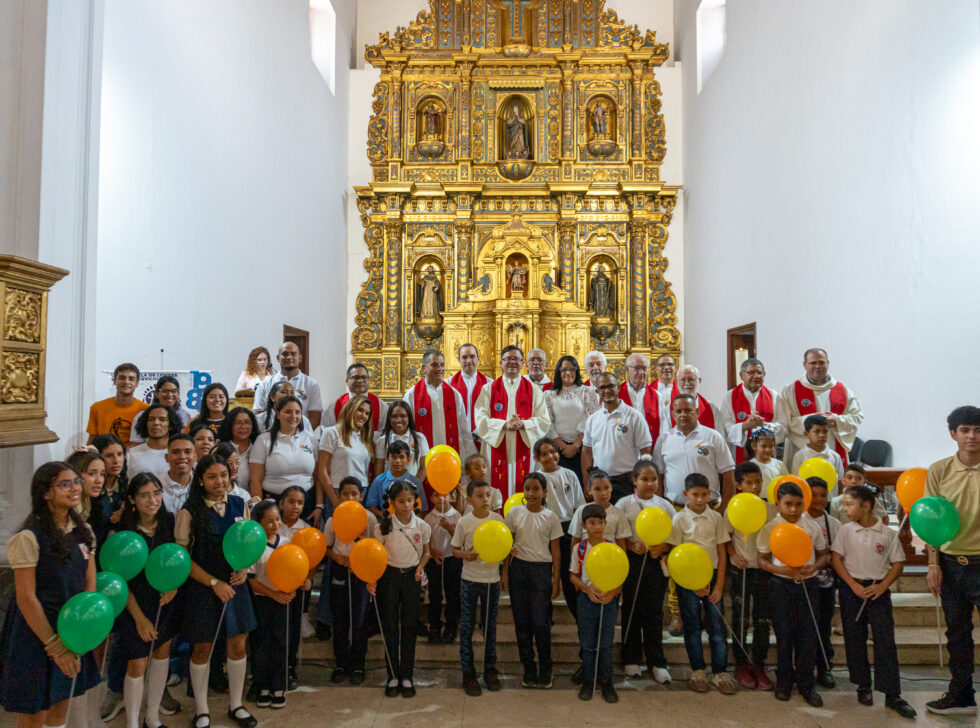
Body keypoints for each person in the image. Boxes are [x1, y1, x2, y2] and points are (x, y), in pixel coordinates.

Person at [0, 463, 100, 724]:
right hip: (37, 634)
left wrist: (80, 630)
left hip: (71, 632)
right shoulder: (29, 537)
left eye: (76, 481)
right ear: (45, 493)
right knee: (34, 714)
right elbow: (26, 597)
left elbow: (90, 586)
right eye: (64, 484)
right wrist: (55, 645)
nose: (75, 488)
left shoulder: (84, 532)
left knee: (60, 704)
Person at [175, 454, 257, 728]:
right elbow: (183, 560)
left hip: (235, 586)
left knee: (237, 643)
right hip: (204, 587)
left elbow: (247, 543)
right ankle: (201, 710)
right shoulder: (189, 512)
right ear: (201, 481)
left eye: (224, 474)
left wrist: (245, 569)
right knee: (202, 647)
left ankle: (236, 704)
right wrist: (213, 583)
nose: (220, 481)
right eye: (212, 476)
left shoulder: (239, 504)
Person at [832, 486, 916, 719]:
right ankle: (863, 685)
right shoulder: (845, 530)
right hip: (853, 590)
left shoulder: (886, 533)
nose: (844, 508)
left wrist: (882, 586)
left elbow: (897, 564)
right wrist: (852, 585)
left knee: (885, 640)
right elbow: (836, 559)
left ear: (866, 506)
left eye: (849, 504)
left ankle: (892, 694)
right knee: (854, 638)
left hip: (878, 591)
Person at [113, 473, 182, 728]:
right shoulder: (124, 531)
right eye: (144, 495)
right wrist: (139, 618)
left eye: (156, 493)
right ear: (132, 499)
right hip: (134, 604)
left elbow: (176, 559)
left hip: (164, 600)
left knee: (162, 654)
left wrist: (174, 587)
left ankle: (152, 717)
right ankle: (132, 721)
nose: (152, 500)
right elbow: (121, 580)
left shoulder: (169, 522)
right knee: (138, 662)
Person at [924, 405, 980, 716]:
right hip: (950, 562)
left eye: (978, 430)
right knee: (957, 633)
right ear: (953, 434)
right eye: (965, 430)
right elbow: (930, 520)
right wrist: (933, 565)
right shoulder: (939, 470)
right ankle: (961, 694)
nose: (972, 436)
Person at [757, 481, 829, 707]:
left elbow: (823, 555)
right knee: (784, 634)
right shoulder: (770, 527)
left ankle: (807, 685)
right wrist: (782, 570)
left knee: (808, 636)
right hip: (781, 585)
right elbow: (762, 560)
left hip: (808, 585)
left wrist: (814, 567)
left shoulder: (811, 526)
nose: (794, 509)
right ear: (778, 504)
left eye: (799, 504)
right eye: (788, 504)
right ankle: (784, 682)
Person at [667, 473, 736, 695]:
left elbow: (722, 554)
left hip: (713, 576)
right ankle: (697, 670)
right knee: (693, 626)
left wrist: (718, 586)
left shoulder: (716, 518)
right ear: (686, 495)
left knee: (717, 626)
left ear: (710, 495)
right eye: (695, 495)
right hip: (687, 579)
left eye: (704, 495)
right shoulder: (678, 519)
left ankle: (720, 672)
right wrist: (690, 582)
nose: (699, 499)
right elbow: (673, 554)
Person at [369, 480, 430, 699]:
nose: (406, 505)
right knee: (390, 626)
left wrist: (421, 567)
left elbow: (427, 553)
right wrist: (372, 579)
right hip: (389, 579)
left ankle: (407, 676)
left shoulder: (422, 526)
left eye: (409, 500)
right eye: (401, 501)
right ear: (392, 502)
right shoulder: (383, 526)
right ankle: (393, 675)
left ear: (415, 501)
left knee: (410, 626)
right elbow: (376, 556)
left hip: (411, 579)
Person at [617, 458, 675, 684]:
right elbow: (618, 534)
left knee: (653, 611)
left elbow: (674, 538)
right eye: (644, 479)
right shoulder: (624, 504)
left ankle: (657, 661)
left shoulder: (665, 505)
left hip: (655, 562)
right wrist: (631, 545)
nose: (650, 484)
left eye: (654, 480)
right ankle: (631, 658)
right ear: (634, 481)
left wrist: (664, 547)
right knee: (632, 608)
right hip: (632, 561)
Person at [247, 500, 308, 710]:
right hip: (263, 600)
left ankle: (278, 686)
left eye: (277, 519)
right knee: (262, 644)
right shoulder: (254, 545)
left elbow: (296, 567)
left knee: (282, 642)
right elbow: (251, 578)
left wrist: (295, 586)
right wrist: (272, 594)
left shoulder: (287, 541)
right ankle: (262, 685)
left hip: (284, 600)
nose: (275, 524)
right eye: (269, 521)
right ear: (258, 523)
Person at [503, 472, 562, 689]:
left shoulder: (551, 517)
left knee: (540, 623)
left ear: (544, 492)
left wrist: (556, 580)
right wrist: (505, 573)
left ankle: (546, 668)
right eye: (527, 489)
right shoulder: (514, 513)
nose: (531, 493)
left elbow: (555, 551)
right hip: (519, 570)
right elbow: (507, 545)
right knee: (522, 624)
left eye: (536, 489)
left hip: (541, 572)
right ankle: (528, 668)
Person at [474, 346, 551, 502]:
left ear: (523, 363)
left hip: (524, 448)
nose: (512, 362)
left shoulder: (534, 390)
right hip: (496, 447)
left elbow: (544, 420)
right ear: (501, 362)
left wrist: (523, 424)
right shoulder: (488, 389)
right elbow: (480, 418)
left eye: (516, 359)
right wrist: (504, 425)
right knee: (496, 491)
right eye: (508, 359)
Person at [452, 480, 506, 697]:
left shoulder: (498, 519)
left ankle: (490, 670)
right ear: (469, 500)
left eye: (487, 495)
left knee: (489, 627)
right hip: (469, 580)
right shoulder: (464, 522)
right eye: (480, 496)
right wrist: (467, 555)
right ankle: (468, 672)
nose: (485, 499)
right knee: (466, 628)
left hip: (491, 581)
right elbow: (455, 550)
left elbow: (502, 544)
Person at [324, 477, 378, 685]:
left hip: (362, 571)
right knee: (340, 620)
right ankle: (341, 662)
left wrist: (364, 542)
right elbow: (326, 547)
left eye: (354, 494)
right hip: (339, 569)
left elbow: (377, 547)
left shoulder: (370, 519)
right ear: (338, 496)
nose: (349, 497)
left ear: (362, 496)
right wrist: (335, 557)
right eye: (345, 494)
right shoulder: (333, 519)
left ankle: (358, 664)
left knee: (360, 620)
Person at [725, 461, 774, 691]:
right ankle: (741, 663)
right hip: (740, 569)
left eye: (758, 482)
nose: (755, 486)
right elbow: (725, 538)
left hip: (764, 570)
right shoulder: (731, 507)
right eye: (749, 482)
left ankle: (759, 664)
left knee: (762, 619)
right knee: (740, 617)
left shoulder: (771, 509)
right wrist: (733, 555)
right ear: (738, 485)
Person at [404, 349, 475, 500]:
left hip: (450, 458)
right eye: (435, 365)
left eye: (442, 365)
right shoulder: (411, 395)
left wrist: (470, 460)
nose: (440, 369)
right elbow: (406, 431)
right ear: (424, 368)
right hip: (423, 460)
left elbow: (464, 430)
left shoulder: (454, 394)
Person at [776, 348, 863, 467]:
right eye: (813, 363)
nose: (818, 366)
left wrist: (837, 420)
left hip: (833, 449)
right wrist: (813, 421)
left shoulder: (843, 391)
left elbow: (857, 417)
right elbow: (786, 422)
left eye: (821, 362)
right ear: (805, 365)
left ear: (828, 363)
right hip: (801, 451)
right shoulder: (791, 391)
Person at [569, 503, 620, 703]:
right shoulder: (579, 549)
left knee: (606, 643)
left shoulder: (612, 548)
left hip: (609, 599)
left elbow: (620, 576)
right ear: (584, 525)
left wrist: (613, 592)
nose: (597, 526)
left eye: (600, 522)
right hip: (586, 599)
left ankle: (607, 681)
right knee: (588, 643)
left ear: (605, 524)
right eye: (592, 523)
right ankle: (589, 681)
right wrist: (588, 590)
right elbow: (573, 576)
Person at [534, 438, 585, 622]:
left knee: (568, 575)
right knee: (544, 577)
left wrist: (577, 533)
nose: (550, 456)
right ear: (537, 458)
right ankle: (545, 618)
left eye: (553, 451)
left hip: (567, 529)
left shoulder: (570, 474)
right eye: (544, 454)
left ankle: (581, 621)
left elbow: (579, 506)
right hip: (543, 531)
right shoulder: (536, 478)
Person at [581, 372, 652, 502]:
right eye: (602, 387)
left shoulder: (634, 416)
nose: (607, 390)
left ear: (618, 387)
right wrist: (587, 482)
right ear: (597, 391)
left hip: (628, 482)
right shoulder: (593, 419)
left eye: (611, 386)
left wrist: (641, 481)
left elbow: (645, 452)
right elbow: (586, 452)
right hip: (601, 482)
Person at [654, 393, 735, 508]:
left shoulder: (713, 436)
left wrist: (723, 509)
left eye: (688, 410)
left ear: (697, 412)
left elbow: (728, 473)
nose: (683, 415)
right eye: (678, 411)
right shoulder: (663, 440)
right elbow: (659, 475)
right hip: (675, 510)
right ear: (672, 414)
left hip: (710, 509)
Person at [248, 396, 318, 521]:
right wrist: (259, 508)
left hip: (306, 504)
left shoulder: (310, 438)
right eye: (288, 412)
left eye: (297, 412)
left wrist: (319, 506)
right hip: (273, 504)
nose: (293, 416)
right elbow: (255, 479)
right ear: (278, 414)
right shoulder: (264, 440)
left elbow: (318, 476)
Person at [801, 476, 840, 688]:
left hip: (825, 583)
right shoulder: (797, 520)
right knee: (804, 627)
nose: (818, 499)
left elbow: (836, 554)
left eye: (823, 495)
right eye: (813, 495)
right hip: (800, 582)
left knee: (823, 626)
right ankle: (803, 669)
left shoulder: (833, 524)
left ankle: (824, 666)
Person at [543, 355, 599, 483]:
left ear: (577, 371)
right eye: (564, 370)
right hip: (557, 449)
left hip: (582, 448)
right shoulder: (549, 395)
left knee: (580, 484)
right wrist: (562, 446)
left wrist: (575, 445)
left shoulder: (587, 392)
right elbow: (547, 422)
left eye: (572, 369)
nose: (568, 373)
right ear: (559, 372)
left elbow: (591, 419)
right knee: (559, 485)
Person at [317, 395, 374, 513]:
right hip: (339, 492)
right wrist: (334, 500)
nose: (363, 415)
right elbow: (322, 470)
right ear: (350, 409)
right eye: (360, 410)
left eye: (367, 413)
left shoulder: (364, 438)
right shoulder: (331, 432)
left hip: (361, 493)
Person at [276, 486, 309, 688]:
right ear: (281, 503)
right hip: (273, 587)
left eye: (300, 503)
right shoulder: (273, 525)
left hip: (295, 588)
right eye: (291, 501)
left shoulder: (305, 528)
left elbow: (310, 560)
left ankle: (289, 669)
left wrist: (307, 578)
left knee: (292, 629)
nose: (295, 506)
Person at [720, 358, 781, 463]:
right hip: (739, 454)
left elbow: (783, 425)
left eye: (759, 373)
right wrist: (744, 426)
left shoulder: (773, 395)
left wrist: (765, 425)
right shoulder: (730, 396)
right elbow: (724, 428)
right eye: (751, 373)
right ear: (742, 375)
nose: (756, 376)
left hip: (767, 453)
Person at [252, 342, 323, 429]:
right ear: (278, 358)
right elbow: (258, 416)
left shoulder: (311, 384)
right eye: (285, 354)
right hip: (270, 437)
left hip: (300, 437)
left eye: (293, 354)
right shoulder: (264, 384)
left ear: (300, 358)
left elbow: (315, 419)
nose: (289, 357)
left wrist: (295, 436)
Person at [423, 487, 461, 645]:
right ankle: (435, 627)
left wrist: (448, 528)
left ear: (451, 497)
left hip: (452, 558)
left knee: (453, 594)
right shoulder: (428, 518)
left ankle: (451, 627)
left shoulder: (457, 516)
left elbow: (461, 541)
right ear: (431, 498)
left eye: (444, 494)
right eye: (436, 495)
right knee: (435, 594)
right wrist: (431, 551)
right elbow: (425, 541)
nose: (441, 498)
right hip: (434, 560)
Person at [87, 362, 148, 447]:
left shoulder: (146, 410)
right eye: (122, 378)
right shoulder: (97, 408)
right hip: (104, 457)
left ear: (137, 383)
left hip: (133, 458)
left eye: (131, 379)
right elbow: (92, 440)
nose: (126, 382)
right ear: (115, 381)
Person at [568, 469, 630, 551]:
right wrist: (574, 562)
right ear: (589, 490)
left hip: (610, 559)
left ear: (611, 488)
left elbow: (621, 543)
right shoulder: (581, 510)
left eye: (606, 488)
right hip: (586, 560)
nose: (603, 493)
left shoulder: (619, 513)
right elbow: (576, 539)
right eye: (597, 489)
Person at [66, 450, 112, 558]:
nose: (99, 480)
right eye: (91, 473)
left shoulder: (86, 501)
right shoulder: (69, 508)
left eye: (102, 474)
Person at [364, 440, 427, 517]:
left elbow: (422, 510)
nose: (397, 461)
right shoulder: (379, 480)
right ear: (387, 458)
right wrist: (385, 517)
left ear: (409, 459)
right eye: (394, 457)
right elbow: (371, 506)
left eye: (401, 457)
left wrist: (412, 522)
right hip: (387, 525)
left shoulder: (415, 482)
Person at [374, 400, 429, 482]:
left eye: (403, 416)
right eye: (394, 416)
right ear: (389, 418)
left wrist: (413, 488)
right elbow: (379, 471)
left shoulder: (419, 438)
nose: (398, 420)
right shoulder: (382, 441)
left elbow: (424, 467)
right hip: (388, 490)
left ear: (409, 418)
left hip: (411, 490)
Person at [320, 362, 383, 432]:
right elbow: (325, 430)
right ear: (347, 381)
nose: (360, 380)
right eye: (355, 377)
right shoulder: (335, 406)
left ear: (368, 380)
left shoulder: (381, 405)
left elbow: (385, 433)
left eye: (364, 377)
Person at [619, 353, 668, 442]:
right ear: (627, 369)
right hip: (623, 446)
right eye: (637, 368)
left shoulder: (656, 396)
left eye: (644, 368)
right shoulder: (617, 393)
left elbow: (663, 426)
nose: (641, 372)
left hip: (648, 446)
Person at [448, 343, 490, 447]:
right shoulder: (448, 384)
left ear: (478, 358)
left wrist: (476, 433)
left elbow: (492, 412)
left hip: (481, 439)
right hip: (457, 438)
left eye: (472, 356)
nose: (468, 361)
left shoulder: (490, 384)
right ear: (458, 359)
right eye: (464, 357)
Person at [130, 375, 194, 443]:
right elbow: (136, 444)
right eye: (165, 391)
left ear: (178, 394)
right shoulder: (142, 416)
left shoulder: (185, 415)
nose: (169, 394)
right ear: (157, 393)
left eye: (173, 391)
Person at [128, 403, 181, 476]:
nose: (156, 423)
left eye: (162, 419)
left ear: (171, 425)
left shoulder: (180, 454)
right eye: (151, 419)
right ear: (145, 424)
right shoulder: (132, 454)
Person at [790, 415, 845, 483]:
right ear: (806, 434)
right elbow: (796, 482)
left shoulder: (835, 456)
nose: (821, 435)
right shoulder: (800, 456)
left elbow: (840, 482)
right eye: (816, 431)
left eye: (825, 431)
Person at [216, 407, 260, 492]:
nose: (243, 426)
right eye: (237, 423)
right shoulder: (220, 448)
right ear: (230, 425)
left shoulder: (258, 448)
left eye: (247, 422)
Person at [672, 365, 721, 431]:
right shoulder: (667, 410)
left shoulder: (711, 408)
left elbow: (719, 437)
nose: (687, 383)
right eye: (683, 380)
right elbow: (665, 438)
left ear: (699, 380)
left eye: (691, 379)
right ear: (677, 382)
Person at [157, 434, 195, 514]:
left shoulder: (202, 486)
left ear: (195, 457)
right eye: (175, 452)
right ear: (166, 457)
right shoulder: (156, 485)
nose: (182, 456)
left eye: (187, 452)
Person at [93, 433, 128, 509]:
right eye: (109, 456)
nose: (116, 461)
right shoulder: (90, 487)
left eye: (119, 454)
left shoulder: (127, 487)